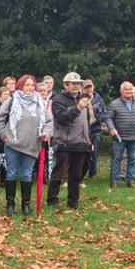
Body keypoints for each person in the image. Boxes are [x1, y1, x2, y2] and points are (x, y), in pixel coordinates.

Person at [0, 74, 52, 216]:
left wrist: (46, 132)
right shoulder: (12, 100)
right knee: (12, 173)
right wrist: (4, 136)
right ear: (20, 86)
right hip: (13, 144)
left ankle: (26, 205)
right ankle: (10, 205)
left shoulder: (39, 102)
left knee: (27, 174)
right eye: (27, 85)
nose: (30, 88)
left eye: (32, 85)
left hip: (32, 144)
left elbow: (48, 122)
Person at [47, 72, 93, 209]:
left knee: (76, 176)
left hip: (81, 143)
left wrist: (88, 141)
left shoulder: (83, 99)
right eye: (73, 84)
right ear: (65, 85)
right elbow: (61, 118)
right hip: (64, 142)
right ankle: (52, 200)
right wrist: (77, 108)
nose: (76, 86)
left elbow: (86, 122)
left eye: (78, 83)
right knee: (58, 174)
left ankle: (73, 201)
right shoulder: (58, 100)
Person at [106, 81, 135, 188]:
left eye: (130, 89)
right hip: (120, 137)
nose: (128, 91)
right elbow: (108, 118)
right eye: (126, 89)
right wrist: (112, 128)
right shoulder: (114, 104)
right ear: (121, 91)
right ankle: (115, 180)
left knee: (132, 159)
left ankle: (130, 181)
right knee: (117, 159)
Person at [83, 79, 107, 180]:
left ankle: (92, 174)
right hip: (83, 130)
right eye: (86, 87)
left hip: (96, 130)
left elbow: (104, 114)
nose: (89, 89)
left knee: (94, 153)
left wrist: (96, 119)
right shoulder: (80, 99)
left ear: (93, 87)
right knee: (84, 153)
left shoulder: (99, 99)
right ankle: (82, 174)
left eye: (90, 87)